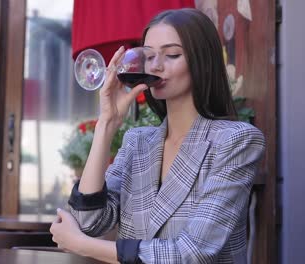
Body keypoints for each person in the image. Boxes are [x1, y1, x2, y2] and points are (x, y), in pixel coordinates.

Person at [50, 8, 266, 264]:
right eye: (149, 56)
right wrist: (106, 124)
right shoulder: (138, 142)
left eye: (172, 54)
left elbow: (192, 253)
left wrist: (83, 245)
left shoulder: (236, 141)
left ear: (202, 61)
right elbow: (88, 222)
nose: (156, 65)